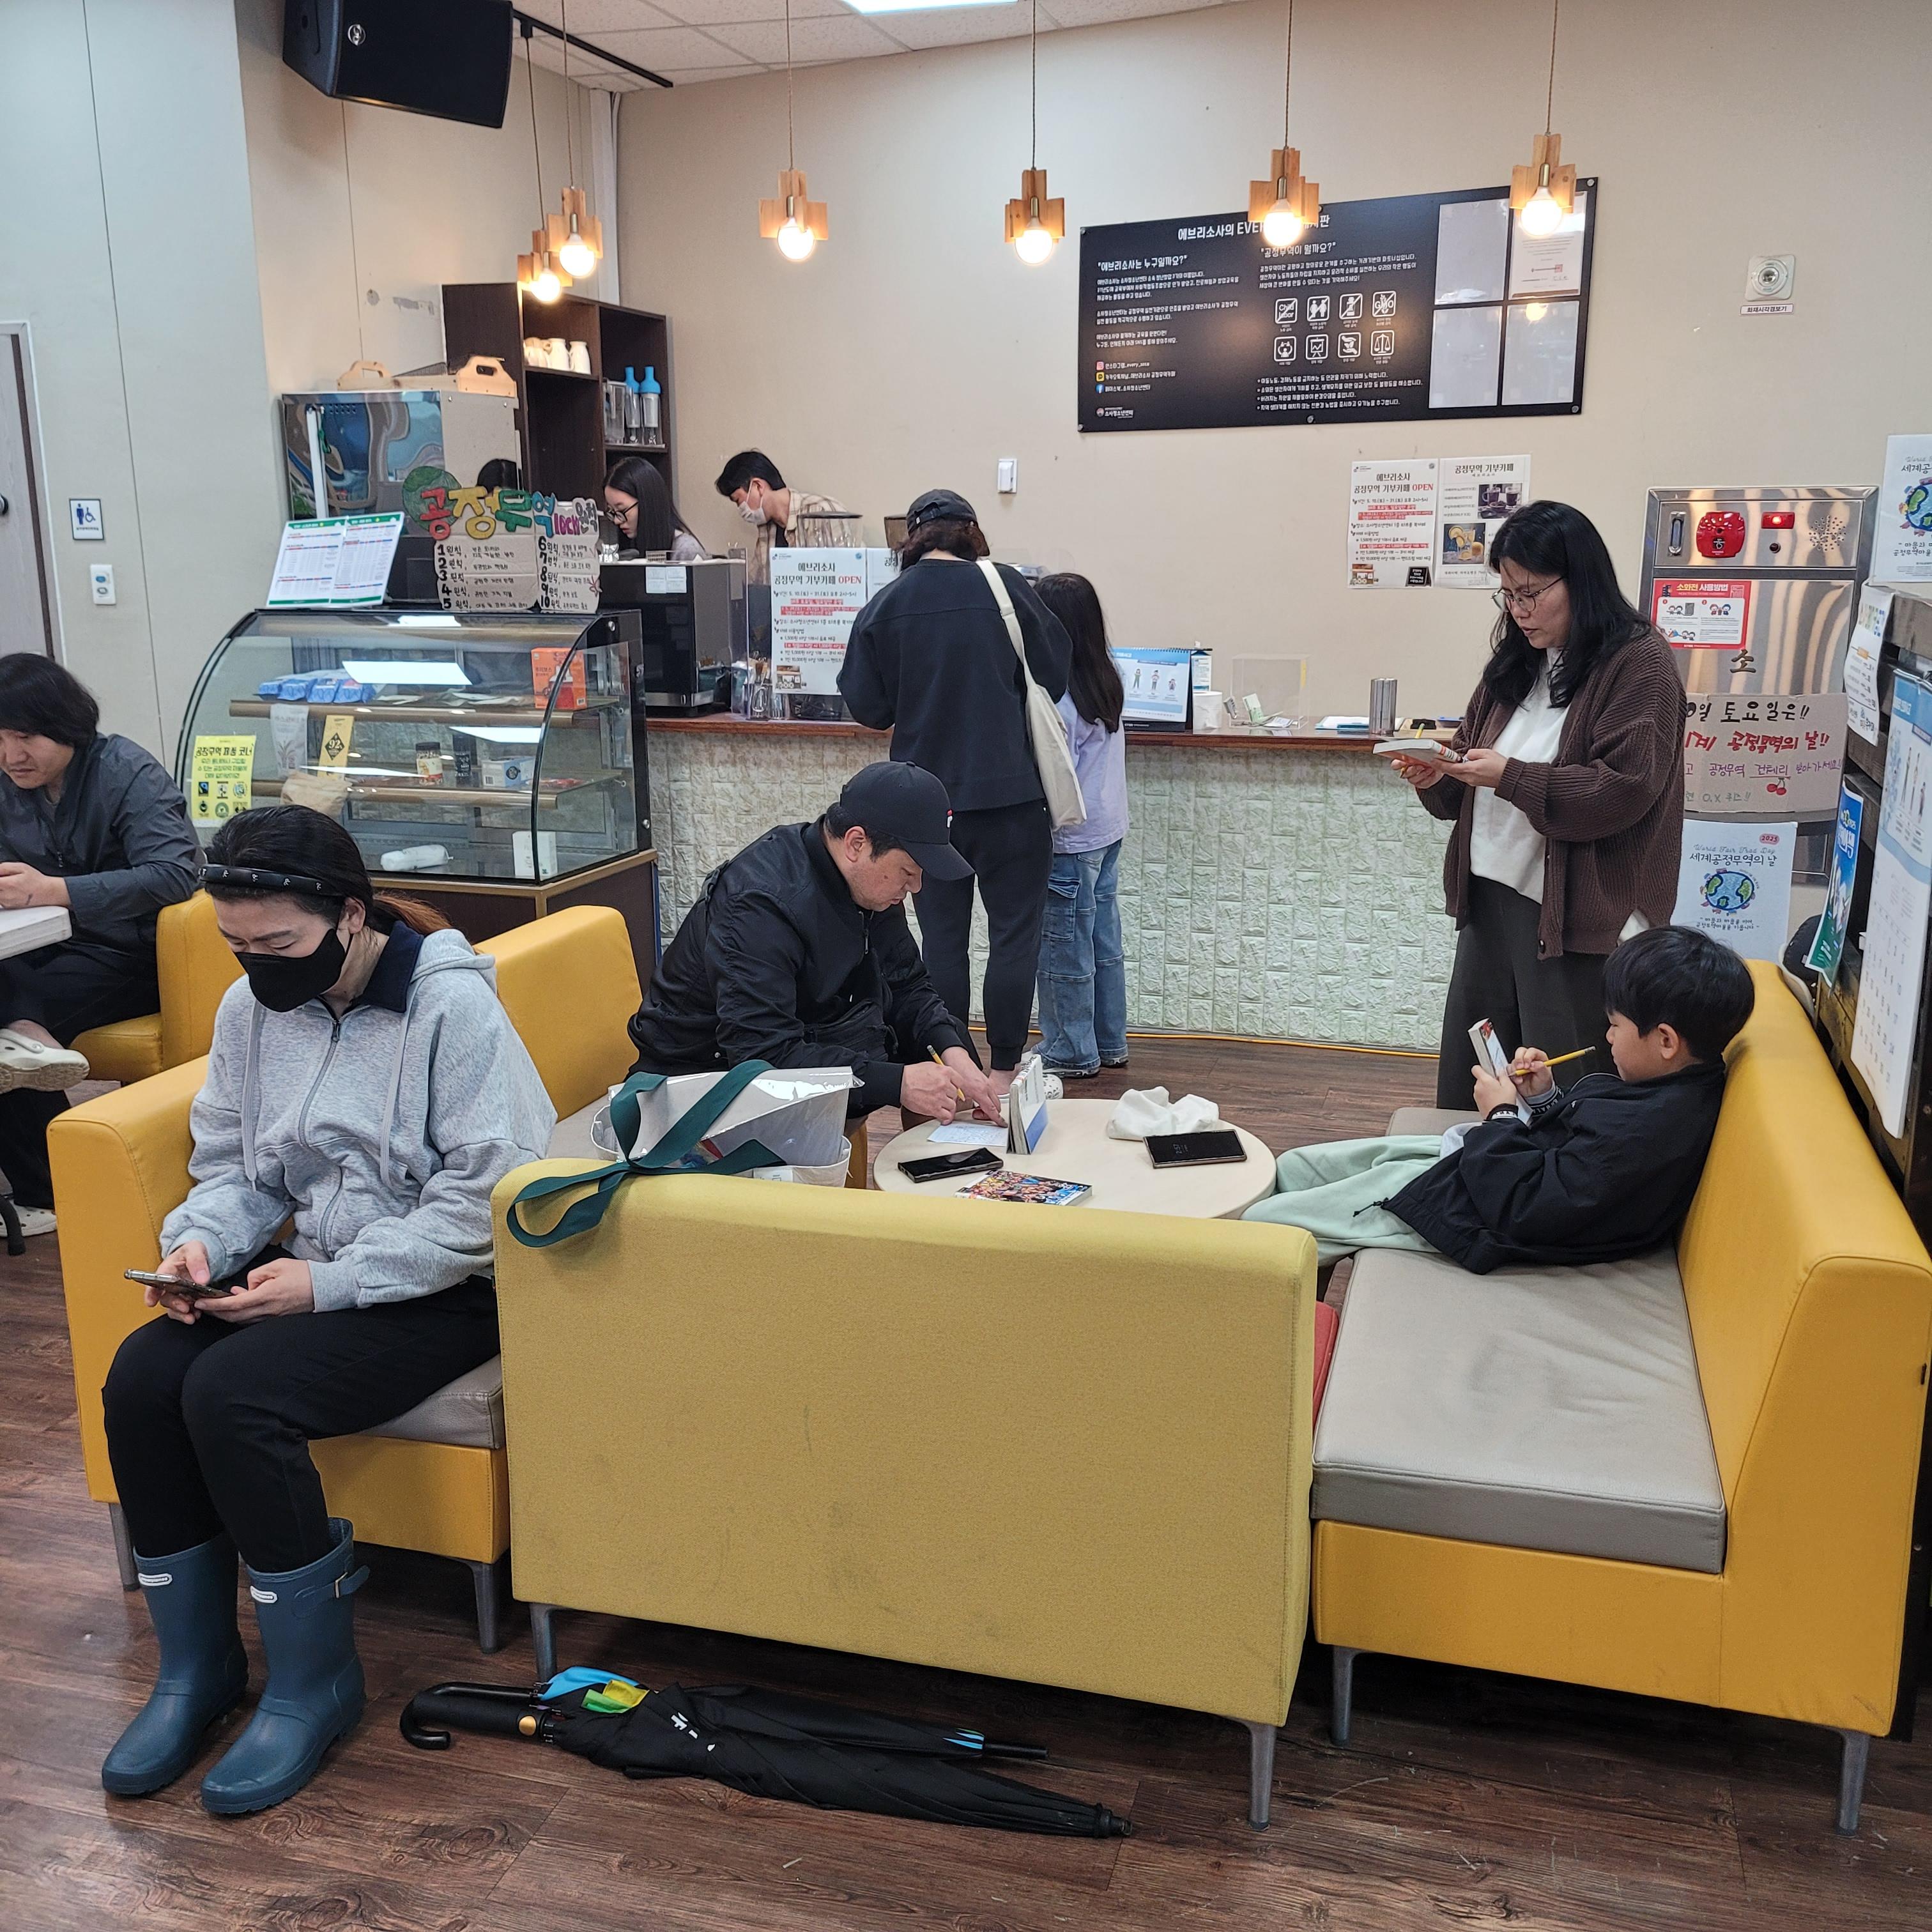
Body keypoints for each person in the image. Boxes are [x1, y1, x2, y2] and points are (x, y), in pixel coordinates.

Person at [97, 806, 555, 1814]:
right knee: (139, 1378)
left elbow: (484, 1201)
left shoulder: (451, 1008)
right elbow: (237, 1168)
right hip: (314, 1266)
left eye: (278, 945)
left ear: (350, 915)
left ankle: (315, 1683)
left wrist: (327, 1286)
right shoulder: (250, 1010)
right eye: (238, 946)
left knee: (233, 1393)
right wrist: (203, 1244)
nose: (257, 968)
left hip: (448, 1288)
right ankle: (197, 1671)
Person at [1386, 500, 1685, 1109]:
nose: (1518, 611)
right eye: (1507, 595)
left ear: (1581, 580)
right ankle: (1477, 1166)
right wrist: (1436, 775)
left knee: (1564, 1086)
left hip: (1577, 916)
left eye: (1531, 593)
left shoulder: (1640, 662)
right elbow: (1470, 773)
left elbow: (1622, 790)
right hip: (1490, 900)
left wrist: (1511, 777)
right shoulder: (1518, 662)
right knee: (1480, 1075)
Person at [1243, 924, 1754, 1274]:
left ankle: (1231, 1282)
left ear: (1665, 1041)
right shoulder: (1676, 1086)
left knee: (1263, 1229)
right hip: (1488, 1166)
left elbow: (1529, 1206)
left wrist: (1503, 1114)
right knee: (1298, 1167)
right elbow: (1584, 1151)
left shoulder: (1650, 1131)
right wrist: (1544, 1097)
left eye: (1616, 1026)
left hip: (1478, 1210)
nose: (1608, 1036)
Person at [838, 490, 1073, 1095]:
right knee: (1014, 937)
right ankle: (1003, 1073)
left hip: (924, 812)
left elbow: (868, 707)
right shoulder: (1007, 588)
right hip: (1013, 799)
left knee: (942, 943)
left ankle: (955, 1074)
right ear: (972, 532)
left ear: (911, 539)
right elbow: (1055, 672)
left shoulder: (886, 604)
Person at [628, 762, 1000, 1128]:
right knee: (910, 1075)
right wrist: (898, 1083)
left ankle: (938, 1161)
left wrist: (951, 1051)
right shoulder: (760, 905)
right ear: (857, 843)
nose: (916, 886)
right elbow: (762, 1056)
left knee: (946, 1052)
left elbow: (908, 984)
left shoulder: (869, 888)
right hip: (703, 1082)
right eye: (908, 871)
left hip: (805, 1032)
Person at [0, 654, 201, 1234]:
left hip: (130, 954)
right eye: (0, 739)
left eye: (25, 737)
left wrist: (56, 890)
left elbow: (175, 873)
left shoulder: (125, 770)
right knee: (12, 1029)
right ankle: (47, 1181)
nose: (12, 755)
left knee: (11, 1018)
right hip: (35, 949)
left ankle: (49, 1189)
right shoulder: (6, 781)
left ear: (66, 725)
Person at [1032, 574, 1129, 1078]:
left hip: (1068, 841)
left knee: (1064, 951)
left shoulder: (1057, 698)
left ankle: (1070, 1051)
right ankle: (1109, 1042)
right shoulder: (1107, 677)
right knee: (1103, 946)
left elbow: (1054, 775)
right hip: (1108, 831)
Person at [712, 448, 853, 585]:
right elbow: (754, 585)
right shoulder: (767, 530)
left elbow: (852, 577)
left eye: (738, 500)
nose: (740, 509)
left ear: (758, 486)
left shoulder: (823, 512)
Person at [604, 454, 705, 564]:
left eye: (622, 510)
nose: (617, 520)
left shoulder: (686, 550)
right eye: (613, 512)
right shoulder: (631, 547)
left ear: (647, 503)